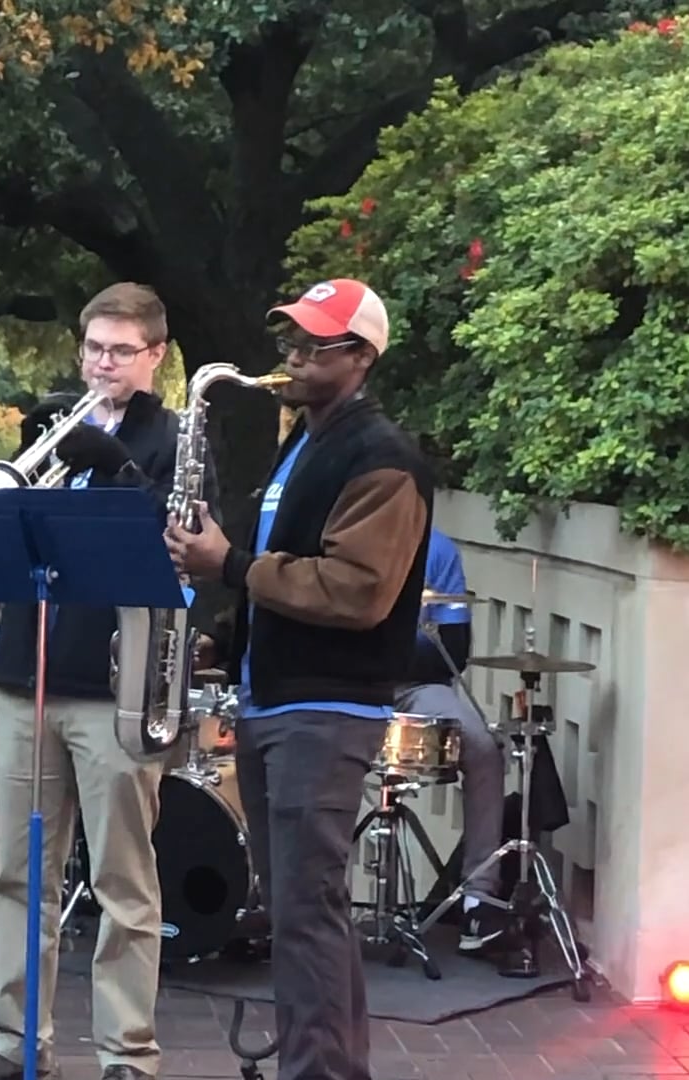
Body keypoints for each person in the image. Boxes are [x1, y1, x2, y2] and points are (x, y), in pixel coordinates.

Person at [0, 282, 214, 1080]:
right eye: (94, 348)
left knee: (123, 878)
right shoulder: (55, 432)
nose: (103, 364)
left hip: (114, 686)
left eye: (121, 351)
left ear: (156, 355)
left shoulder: (175, 439)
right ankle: (11, 1042)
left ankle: (127, 1053)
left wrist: (121, 470)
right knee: (17, 873)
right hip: (30, 673)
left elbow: (182, 545)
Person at [166, 277, 432, 1080]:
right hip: (276, 699)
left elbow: (355, 589)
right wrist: (227, 634)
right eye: (291, 340)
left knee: (307, 911)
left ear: (359, 357)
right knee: (302, 912)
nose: (292, 356)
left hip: (325, 709)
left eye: (313, 344)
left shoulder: (382, 458)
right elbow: (292, 573)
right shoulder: (304, 442)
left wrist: (232, 565)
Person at [403, 528, 511, 954]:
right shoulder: (334, 529)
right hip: (340, 683)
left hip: (415, 686)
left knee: (484, 748)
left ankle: (478, 899)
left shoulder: (438, 547)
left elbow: (453, 649)